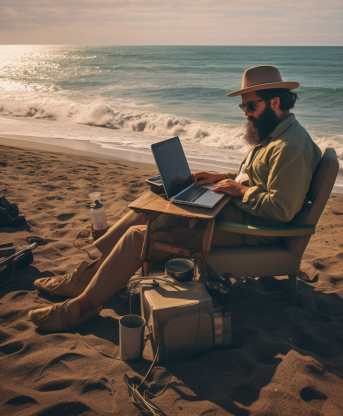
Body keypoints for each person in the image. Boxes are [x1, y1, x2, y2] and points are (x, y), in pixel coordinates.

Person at [29, 65, 321, 331]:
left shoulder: (289, 147)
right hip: (235, 213)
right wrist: (221, 177)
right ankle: (85, 275)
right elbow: (256, 176)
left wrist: (239, 190)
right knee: (149, 206)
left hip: (248, 231)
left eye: (250, 105)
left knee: (137, 237)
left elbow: (281, 209)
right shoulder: (275, 135)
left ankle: (83, 305)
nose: (245, 112)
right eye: (242, 105)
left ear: (275, 101)